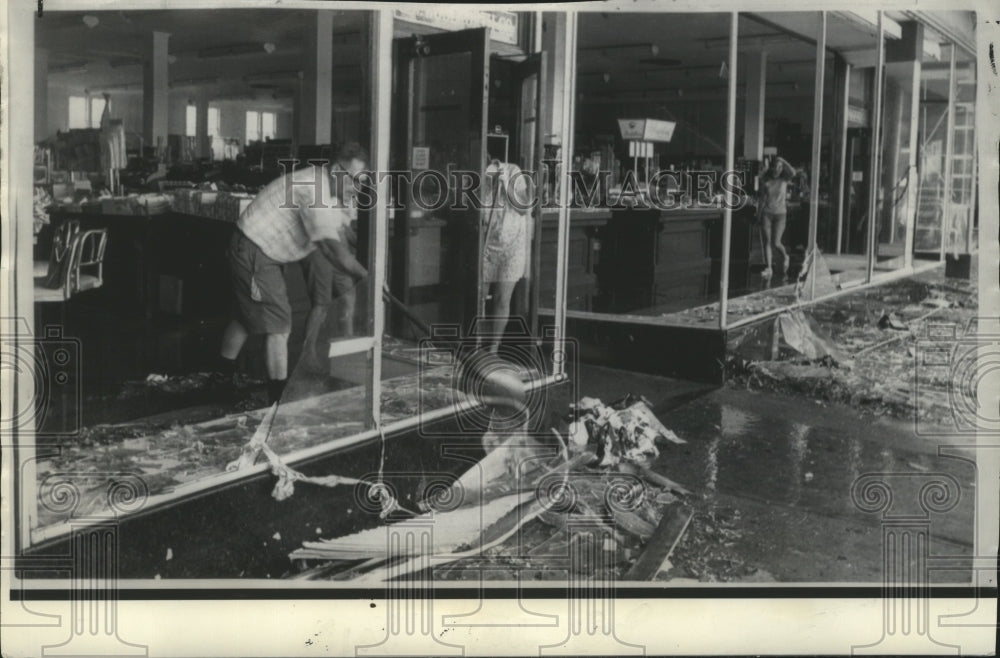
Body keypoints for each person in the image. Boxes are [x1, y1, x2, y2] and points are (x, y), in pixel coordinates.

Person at [218, 146, 368, 405]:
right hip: (255, 247)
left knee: (247, 315)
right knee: (280, 323)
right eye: (355, 180)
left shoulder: (334, 193)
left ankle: (221, 376)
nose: (358, 188)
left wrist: (359, 266)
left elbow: (339, 239)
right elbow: (333, 250)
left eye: (363, 182)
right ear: (336, 170)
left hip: (265, 251)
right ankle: (279, 400)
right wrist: (370, 278)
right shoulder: (313, 189)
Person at [300, 143, 368, 372]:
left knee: (349, 298)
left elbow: (345, 227)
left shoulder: (348, 193)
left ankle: (347, 350)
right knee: (321, 304)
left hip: (340, 249)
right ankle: (307, 354)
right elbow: (329, 232)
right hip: (319, 249)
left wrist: (356, 242)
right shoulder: (319, 190)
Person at [481, 157, 532, 353]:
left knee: (502, 299)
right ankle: (477, 344)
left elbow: (523, 208)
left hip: (512, 245)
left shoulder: (512, 171)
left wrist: (505, 184)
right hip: (486, 244)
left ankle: (493, 349)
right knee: (480, 297)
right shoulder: (479, 178)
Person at [757, 155, 797, 279]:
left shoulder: (784, 179)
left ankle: (785, 256)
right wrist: (759, 214)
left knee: (776, 242)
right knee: (767, 242)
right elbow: (762, 199)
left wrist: (783, 160)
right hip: (767, 213)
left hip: (780, 214)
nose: (778, 169)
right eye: (776, 166)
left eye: (780, 167)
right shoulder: (766, 180)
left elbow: (793, 172)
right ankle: (769, 268)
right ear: (772, 167)